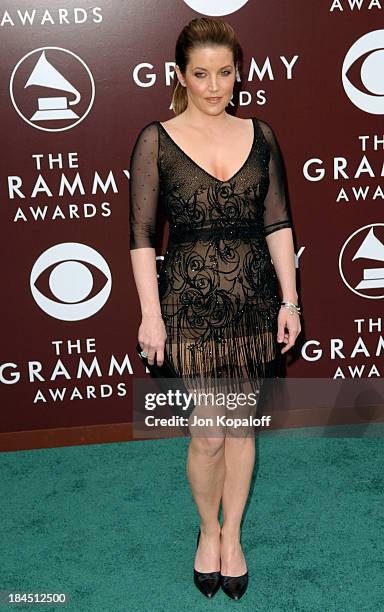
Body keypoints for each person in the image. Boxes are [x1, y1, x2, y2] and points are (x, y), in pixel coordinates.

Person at [129, 16, 301, 601]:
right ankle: (208, 530)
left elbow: (278, 223)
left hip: (253, 300)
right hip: (191, 305)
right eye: (200, 74)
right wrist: (151, 315)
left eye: (224, 73)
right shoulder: (157, 139)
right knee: (209, 432)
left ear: (236, 74)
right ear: (181, 75)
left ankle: (233, 541)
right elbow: (143, 235)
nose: (213, 86)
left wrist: (291, 301)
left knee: (241, 431)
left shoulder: (262, 134)